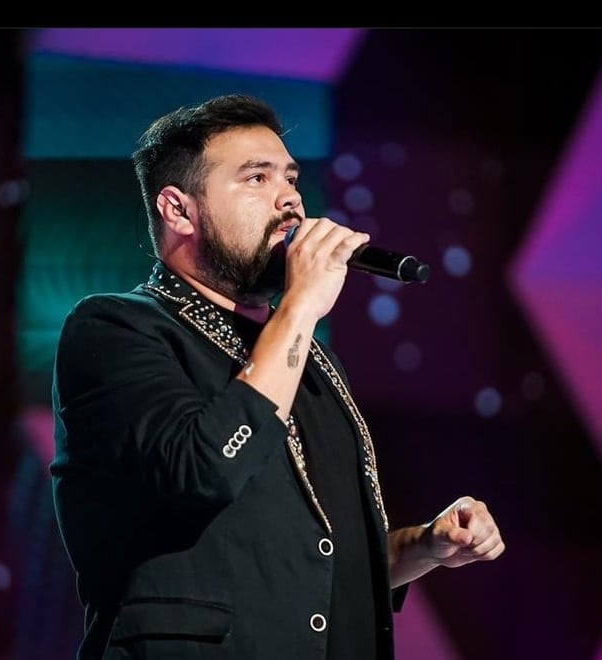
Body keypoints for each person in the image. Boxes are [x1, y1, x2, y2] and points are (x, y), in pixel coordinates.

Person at [50, 93, 505, 660]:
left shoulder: (311, 359)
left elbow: (312, 562)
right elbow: (203, 471)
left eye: (290, 178)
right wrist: (300, 307)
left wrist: (424, 546)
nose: (289, 197)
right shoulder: (116, 329)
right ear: (178, 210)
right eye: (256, 178)